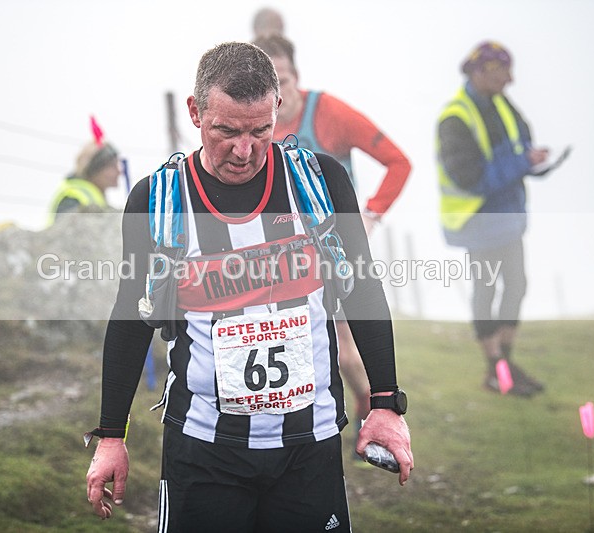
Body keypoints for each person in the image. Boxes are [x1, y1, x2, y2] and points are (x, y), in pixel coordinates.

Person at [84, 42, 413, 531]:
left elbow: (362, 291)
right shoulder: (156, 199)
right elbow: (132, 316)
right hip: (203, 449)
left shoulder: (322, 183)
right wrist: (112, 435)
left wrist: (385, 404)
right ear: (196, 114)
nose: (245, 150)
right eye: (227, 131)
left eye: (262, 131)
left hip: (310, 445)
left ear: (278, 109)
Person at [253, 33, 412, 432]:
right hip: (278, 260)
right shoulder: (252, 128)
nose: (277, 92)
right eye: (265, 83)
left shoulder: (328, 113)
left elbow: (398, 162)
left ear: (296, 76)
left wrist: (370, 215)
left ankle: (370, 407)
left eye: (283, 79)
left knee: (343, 351)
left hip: (333, 252)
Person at [436, 41, 550, 397]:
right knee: (487, 289)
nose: (511, 79)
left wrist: (533, 162)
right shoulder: (454, 117)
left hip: (508, 217)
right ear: (481, 71)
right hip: (477, 222)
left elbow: (521, 144)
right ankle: (496, 369)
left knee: (516, 285)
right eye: (504, 72)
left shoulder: (501, 103)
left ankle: (505, 364)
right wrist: (522, 162)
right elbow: (469, 177)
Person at [47, 139, 120, 224]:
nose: (119, 171)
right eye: (112, 166)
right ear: (95, 169)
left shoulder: (95, 195)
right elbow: (64, 232)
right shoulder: (72, 198)